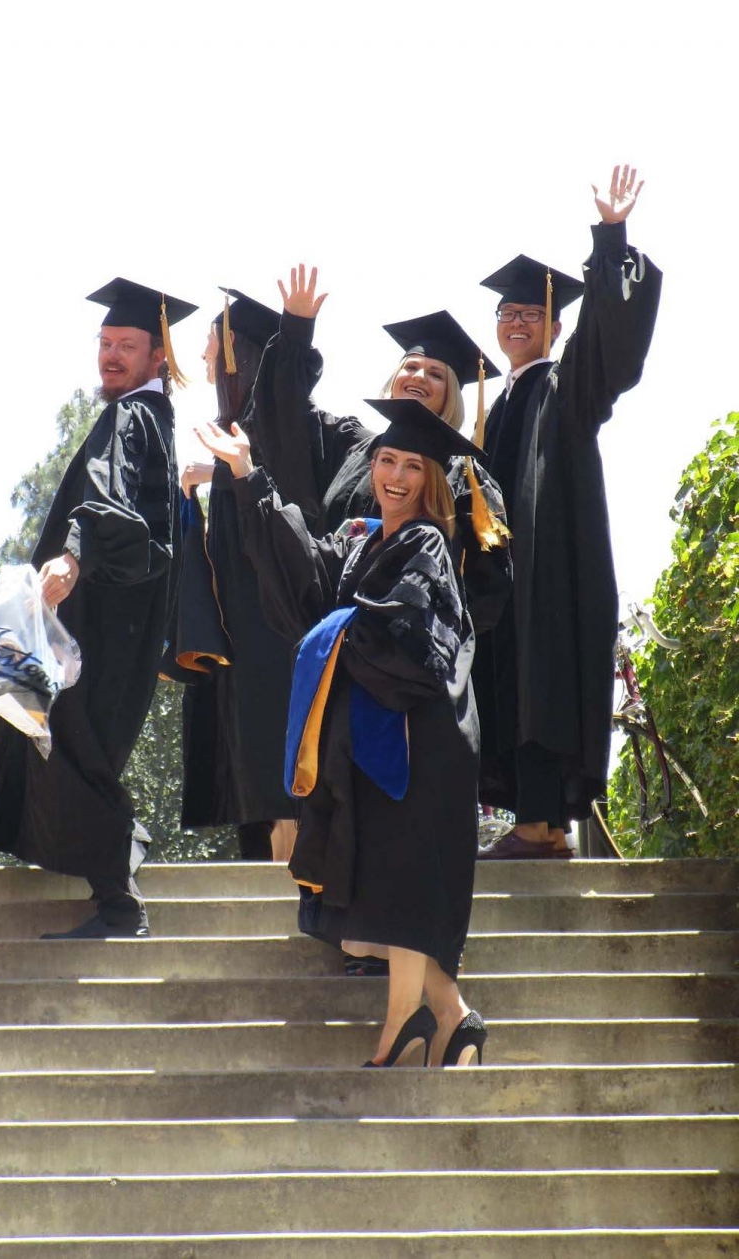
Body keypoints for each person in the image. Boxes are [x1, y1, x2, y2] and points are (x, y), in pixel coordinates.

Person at [195, 397, 486, 1069]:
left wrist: (339, 629)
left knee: (400, 885)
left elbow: (411, 640)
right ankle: (454, 1015)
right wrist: (248, 476)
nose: (396, 475)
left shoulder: (427, 543)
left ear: (430, 480)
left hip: (414, 741)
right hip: (364, 738)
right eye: (387, 459)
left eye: (413, 466)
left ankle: (400, 1026)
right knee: (376, 894)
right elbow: (307, 575)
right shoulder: (362, 540)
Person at [0, 278, 196, 937]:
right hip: (120, 623)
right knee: (69, 735)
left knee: (63, 734)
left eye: (127, 345)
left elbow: (108, 500)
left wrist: (72, 556)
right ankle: (122, 842)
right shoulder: (154, 418)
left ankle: (119, 900)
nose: (111, 355)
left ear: (158, 356)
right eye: (105, 343)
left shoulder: (133, 416)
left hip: (98, 621)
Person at [475, 165, 662, 859]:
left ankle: (536, 826)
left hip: (550, 574)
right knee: (519, 687)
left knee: (541, 687)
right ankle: (547, 828)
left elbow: (609, 347)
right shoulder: (492, 409)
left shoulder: (564, 383)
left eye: (531, 314)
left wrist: (610, 237)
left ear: (555, 327)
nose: (517, 321)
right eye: (508, 313)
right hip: (508, 580)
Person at [250, 273, 512, 637]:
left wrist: (418, 637)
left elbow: (487, 590)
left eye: (436, 374)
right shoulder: (353, 445)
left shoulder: (469, 480)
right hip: (329, 635)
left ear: (451, 393)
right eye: (410, 366)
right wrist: (295, 330)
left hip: (407, 659)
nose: (419, 376)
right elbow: (287, 416)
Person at [169, 289, 298, 862]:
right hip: (240, 634)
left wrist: (220, 475)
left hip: (273, 630)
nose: (200, 357)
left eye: (209, 345)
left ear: (235, 353)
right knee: (247, 765)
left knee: (273, 765)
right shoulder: (230, 426)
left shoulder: (270, 423)